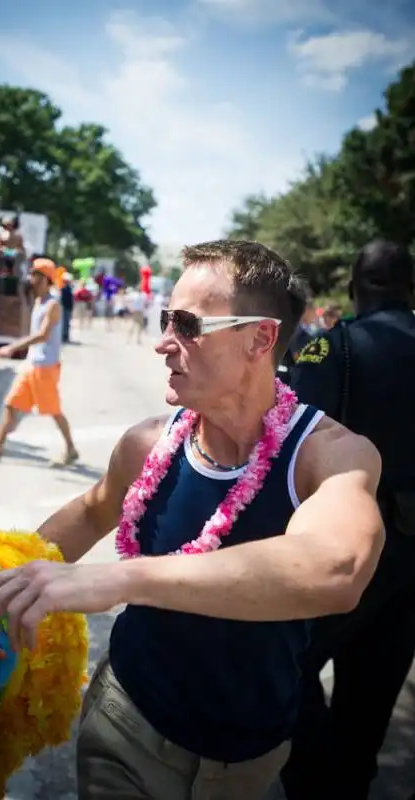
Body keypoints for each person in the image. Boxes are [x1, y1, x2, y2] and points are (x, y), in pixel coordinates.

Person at [0, 240, 384, 800]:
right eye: (166, 319)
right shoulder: (147, 444)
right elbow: (90, 512)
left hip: (251, 759)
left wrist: (119, 579)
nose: (163, 342)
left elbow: (338, 567)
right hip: (126, 727)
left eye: (188, 325)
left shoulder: (328, 454)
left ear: (260, 337)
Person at [281, 239, 415, 800]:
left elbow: (287, 430)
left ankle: (317, 778)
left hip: (352, 540)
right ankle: (351, 779)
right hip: (414, 559)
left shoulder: (335, 347)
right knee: (376, 681)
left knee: (287, 660)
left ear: (357, 287)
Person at [0, 258, 79, 465]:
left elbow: (42, 335)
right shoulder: (38, 302)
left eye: (34, 274)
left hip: (45, 366)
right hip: (32, 364)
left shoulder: (53, 305)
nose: (30, 278)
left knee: (53, 410)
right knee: (11, 404)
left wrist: (11, 348)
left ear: (44, 278)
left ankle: (70, 449)